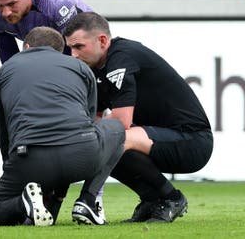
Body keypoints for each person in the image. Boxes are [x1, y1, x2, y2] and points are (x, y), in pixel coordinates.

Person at [64, 12, 213, 223]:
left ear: (103, 41)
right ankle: (152, 199)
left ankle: (90, 200)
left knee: (115, 138)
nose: (73, 55)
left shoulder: (121, 57)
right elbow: (94, 120)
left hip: (193, 141)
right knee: (98, 142)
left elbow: (121, 122)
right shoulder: (95, 68)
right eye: (70, 48)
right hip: (156, 139)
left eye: (79, 47)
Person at [0, 26, 125, 226]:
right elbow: (89, 120)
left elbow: (4, 129)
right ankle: (87, 200)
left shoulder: (7, 68)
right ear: (61, 51)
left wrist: (10, 165)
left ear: (26, 46)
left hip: (28, 158)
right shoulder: (79, 67)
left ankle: (23, 203)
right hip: (83, 156)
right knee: (118, 129)